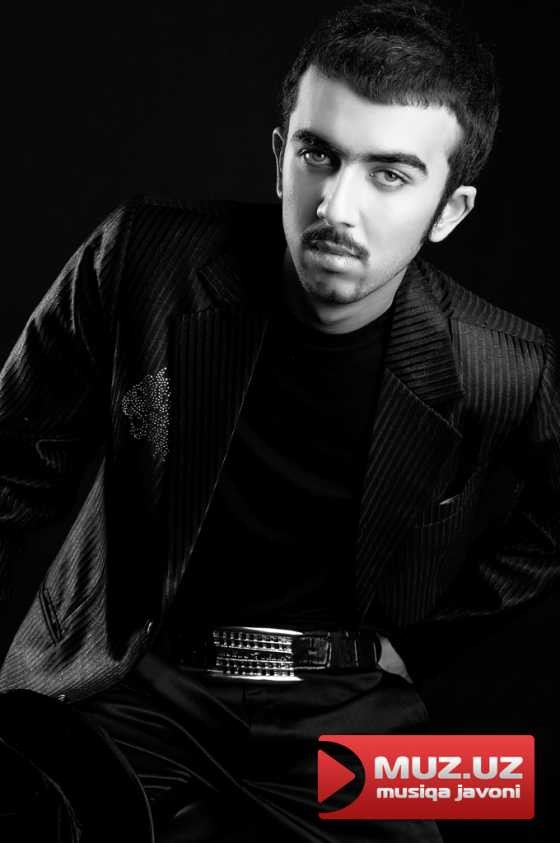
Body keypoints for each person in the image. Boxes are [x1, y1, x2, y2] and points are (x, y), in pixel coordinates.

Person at [1, 1, 558, 841]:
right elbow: (10, 465)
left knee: (476, 799)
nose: (336, 205)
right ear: (279, 158)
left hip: (349, 705)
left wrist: (424, 642)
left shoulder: (503, 364)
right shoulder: (145, 259)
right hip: (132, 678)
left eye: (390, 174)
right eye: (317, 154)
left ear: (450, 210)